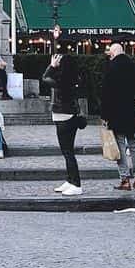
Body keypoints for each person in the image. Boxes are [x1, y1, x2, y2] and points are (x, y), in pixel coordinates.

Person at [100, 43, 135, 191]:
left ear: (113, 53)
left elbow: (105, 94)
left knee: (119, 146)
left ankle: (125, 179)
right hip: (131, 111)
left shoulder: (111, 67)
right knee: (134, 144)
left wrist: (104, 115)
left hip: (116, 113)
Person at [43, 50, 86, 196]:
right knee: (68, 152)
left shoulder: (61, 81)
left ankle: (76, 183)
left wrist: (52, 66)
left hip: (62, 117)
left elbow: (45, 78)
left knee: (67, 152)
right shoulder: (74, 79)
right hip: (70, 116)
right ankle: (70, 180)